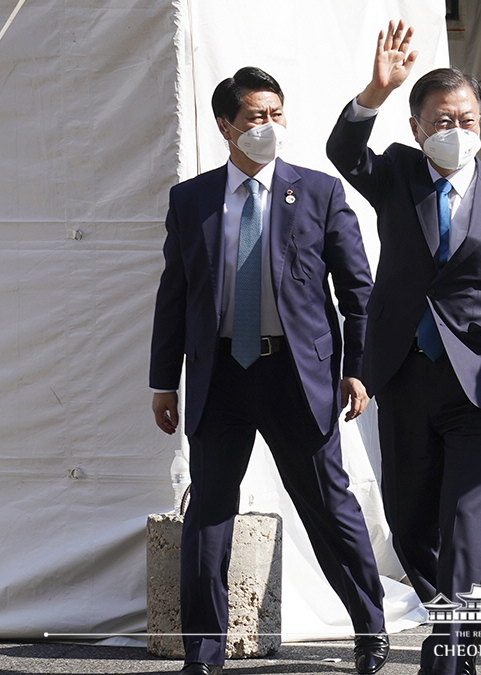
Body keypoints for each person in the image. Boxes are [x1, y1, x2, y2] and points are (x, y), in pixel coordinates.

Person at [326, 21, 481, 675]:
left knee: (464, 515)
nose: (458, 128)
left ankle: (448, 648)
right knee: (409, 514)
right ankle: (461, 611)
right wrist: (375, 91)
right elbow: (344, 150)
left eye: (468, 117)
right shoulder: (397, 174)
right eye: (443, 118)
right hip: (405, 373)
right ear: (419, 127)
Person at [149, 67, 387, 675]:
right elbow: (173, 295)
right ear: (226, 126)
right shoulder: (192, 199)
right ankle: (203, 652)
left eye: (277, 113)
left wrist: (355, 369)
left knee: (329, 505)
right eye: (256, 117)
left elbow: (359, 292)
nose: (270, 126)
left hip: (296, 377)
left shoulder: (319, 193)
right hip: (219, 375)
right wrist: (162, 380)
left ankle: (370, 628)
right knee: (208, 515)